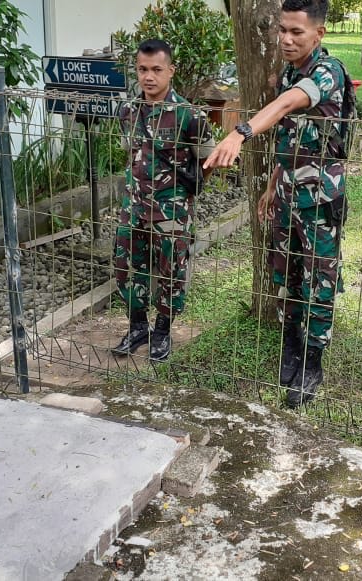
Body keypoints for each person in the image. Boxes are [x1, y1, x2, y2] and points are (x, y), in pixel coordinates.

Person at [204, 0, 350, 408]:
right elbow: (289, 136)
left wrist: (240, 133)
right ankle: (291, 345)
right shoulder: (288, 71)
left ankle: (312, 363)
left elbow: (286, 105)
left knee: (319, 283)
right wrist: (272, 183)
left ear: (318, 34)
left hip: (320, 200)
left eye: (296, 32)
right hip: (286, 194)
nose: (286, 39)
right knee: (287, 274)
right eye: (282, 30)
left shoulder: (327, 71)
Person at [111, 39, 215, 362]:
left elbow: (208, 161)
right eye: (142, 69)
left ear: (171, 70)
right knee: (127, 265)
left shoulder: (190, 116)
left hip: (171, 210)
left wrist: (182, 194)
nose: (149, 77)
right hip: (134, 206)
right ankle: (138, 326)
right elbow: (131, 154)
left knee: (171, 271)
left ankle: (162, 331)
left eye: (157, 69)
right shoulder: (128, 111)